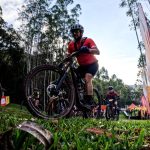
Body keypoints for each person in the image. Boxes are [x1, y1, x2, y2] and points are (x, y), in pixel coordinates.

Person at [67, 23, 100, 109]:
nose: (75, 34)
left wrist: (88, 49)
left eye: (77, 32)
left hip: (92, 65)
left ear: (81, 32)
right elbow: (68, 56)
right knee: (73, 78)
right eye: (73, 32)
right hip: (82, 66)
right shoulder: (71, 45)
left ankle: (89, 100)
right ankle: (79, 97)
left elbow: (97, 51)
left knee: (87, 77)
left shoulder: (88, 40)